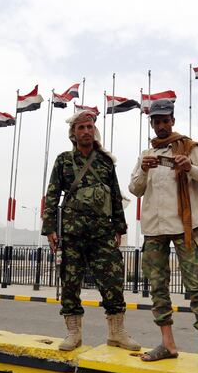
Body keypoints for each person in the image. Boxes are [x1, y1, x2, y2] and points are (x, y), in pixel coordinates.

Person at [129, 98, 198, 373]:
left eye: (164, 120)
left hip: (185, 228)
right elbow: (135, 189)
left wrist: (189, 168)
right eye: (156, 121)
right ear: (152, 123)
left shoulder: (190, 148)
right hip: (154, 230)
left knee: (197, 287)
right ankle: (167, 344)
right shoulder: (146, 153)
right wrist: (144, 169)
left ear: (172, 120)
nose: (160, 125)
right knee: (157, 287)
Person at [41, 109, 140, 352]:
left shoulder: (105, 162)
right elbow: (52, 196)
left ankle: (116, 333)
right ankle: (73, 334)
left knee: (113, 281)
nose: (86, 131)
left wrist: (119, 226)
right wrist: (50, 229)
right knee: (71, 282)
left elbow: (115, 196)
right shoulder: (64, 160)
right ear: (73, 133)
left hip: (102, 233)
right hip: (72, 234)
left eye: (89, 127)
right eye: (81, 128)